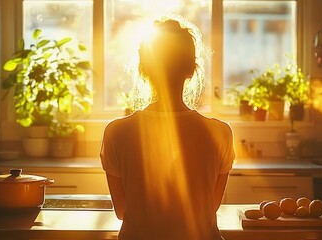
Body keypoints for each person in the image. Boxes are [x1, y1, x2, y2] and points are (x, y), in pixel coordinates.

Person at [100, 17, 235, 240]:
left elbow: (123, 211)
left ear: (143, 69)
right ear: (192, 70)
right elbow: (210, 207)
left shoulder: (117, 132)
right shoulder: (220, 133)